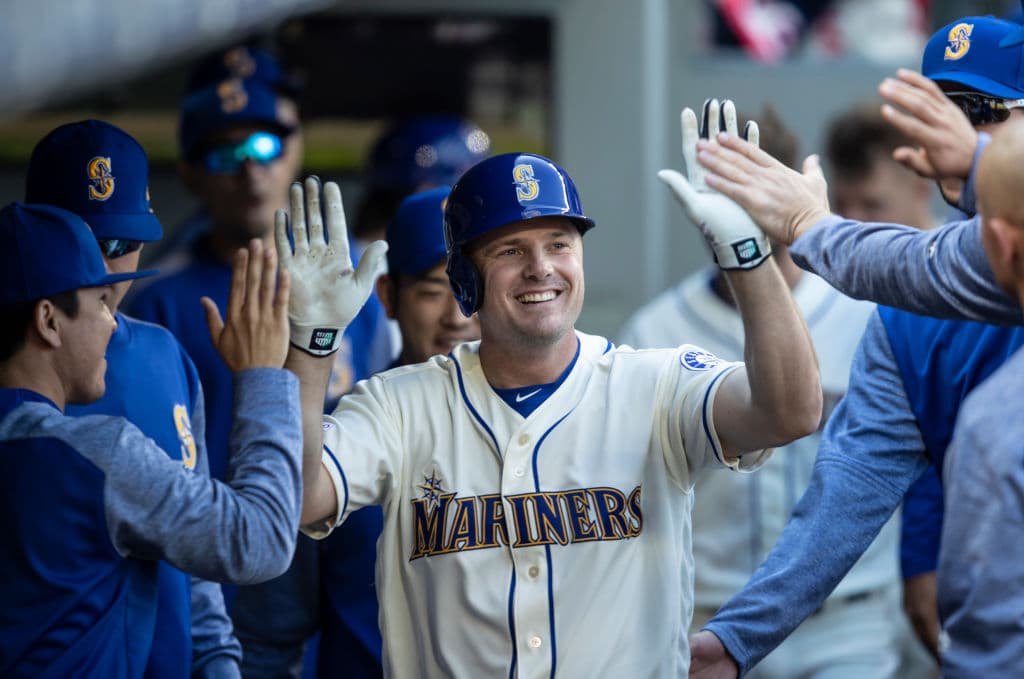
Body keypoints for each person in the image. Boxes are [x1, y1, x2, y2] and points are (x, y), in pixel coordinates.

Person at [277, 94, 822, 676]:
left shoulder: (657, 384)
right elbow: (298, 497)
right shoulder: (399, 404)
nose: (541, 267)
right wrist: (313, 344)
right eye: (511, 250)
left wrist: (748, 257)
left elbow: (790, 412)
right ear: (466, 279)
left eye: (559, 244)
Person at [687, 17, 1024, 679]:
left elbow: (927, 262)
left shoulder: (964, 259)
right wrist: (735, 639)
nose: (952, 130)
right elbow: (851, 489)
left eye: (981, 111)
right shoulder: (906, 314)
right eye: (937, 108)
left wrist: (807, 223)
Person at [620, 106, 903, 678]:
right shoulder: (654, 330)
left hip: (848, 622)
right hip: (708, 615)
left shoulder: (863, 310)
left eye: (751, 186)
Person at [0, 203, 300, 677]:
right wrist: (262, 373)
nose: (112, 322)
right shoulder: (98, 457)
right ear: (48, 320)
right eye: (101, 301)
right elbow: (261, 539)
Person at [126, 65, 330, 678]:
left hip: (332, 595)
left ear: (291, 152)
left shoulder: (343, 287)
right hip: (218, 593)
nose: (251, 170)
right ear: (190, 174)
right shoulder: (156, 303)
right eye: (225, 153)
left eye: (264, 145)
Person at [23, 119, 240, 677]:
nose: (103, 269)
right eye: (83, 244)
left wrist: (217, 661)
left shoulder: (164, 354)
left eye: (122, 246)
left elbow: (199, 566)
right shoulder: (17, 370)